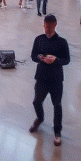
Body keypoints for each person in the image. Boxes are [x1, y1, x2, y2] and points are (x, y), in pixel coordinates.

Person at [29, 15, 70, 145]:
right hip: (41, 77)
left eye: (49, 27)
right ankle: (40, 118)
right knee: (36, 101)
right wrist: (40, 58)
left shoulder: (62, 42)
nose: (47, 30)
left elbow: (67, 60)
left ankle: (57, 132)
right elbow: (33, 56)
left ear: (55, 25)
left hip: (56, 79)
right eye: (45, 27)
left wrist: (56, 60)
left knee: (57, 105)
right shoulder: (39, 39)